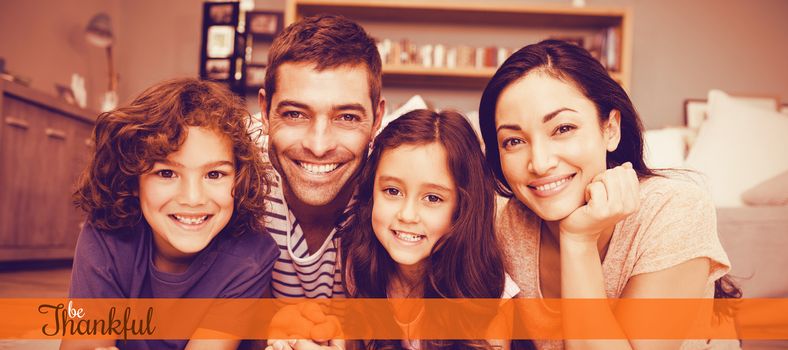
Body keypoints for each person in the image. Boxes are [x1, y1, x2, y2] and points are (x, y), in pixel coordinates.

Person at [478, 39, 740, 350]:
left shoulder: (674, 209)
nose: (540, 162)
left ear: (611, 129)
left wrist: (578, 240)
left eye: (563, 129)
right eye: (513, 141)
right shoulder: (502, 222)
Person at [64, 78, 278, 350]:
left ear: (241, 179)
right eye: (166, 173)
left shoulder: (250, 255)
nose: (192, 198)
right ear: (132, 179)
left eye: (214, 174)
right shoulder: (105, 234)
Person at [342, 109, 521, 350]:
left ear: (462, 208)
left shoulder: (491, 302)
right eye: (392, 191)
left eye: (433, 198)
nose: (406, 215)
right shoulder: (361, 264)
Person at [257, 14, 384, 300]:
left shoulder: (397, 189)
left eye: (347, 117)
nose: (318, 145)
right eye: (295, 114)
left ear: (377, 119)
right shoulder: (226, 173)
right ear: (264, 112)